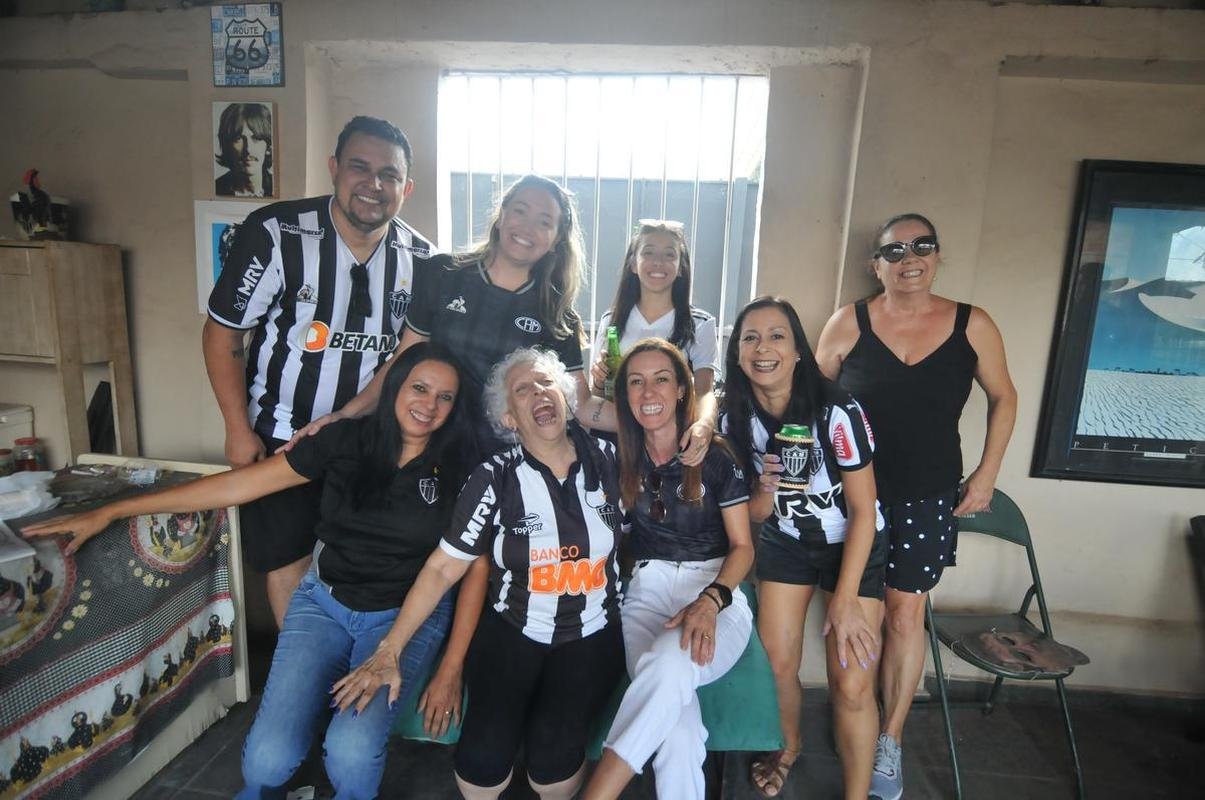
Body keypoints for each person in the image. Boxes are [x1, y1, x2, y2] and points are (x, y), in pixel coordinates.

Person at [25, 343, 485, 800]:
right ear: (394, 388)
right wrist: (115, 511)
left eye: (445, 397)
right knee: (267, 760)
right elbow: (241, 485)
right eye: (420, 388)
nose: (429, 405)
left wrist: (451, 666)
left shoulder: (462, 468)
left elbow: (468, 566)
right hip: (324, 603)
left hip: (405, 617)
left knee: (350, 755)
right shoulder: (346, 441)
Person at [332, 348, 626, 800]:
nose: (538, 394)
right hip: (513, 627)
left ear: (566, 399)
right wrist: (390, 648)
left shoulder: (612, 462)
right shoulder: (494, 477)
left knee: (553, 756)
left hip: (592, 631)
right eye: (522, 390)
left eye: (547, 383)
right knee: (483, 759)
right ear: (509, 418)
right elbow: (443, 566)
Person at [290, 178, 716, 467]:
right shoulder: (443, 273)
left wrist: (659, 417)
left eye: (544, 222)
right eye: (520, 211)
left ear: (555, 239)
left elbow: (582, 407)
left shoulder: (558, 316)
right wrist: (346, 414)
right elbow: (403, 362)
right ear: (502, 214)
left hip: (501, 462)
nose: (528, 228)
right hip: (423, 447)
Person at [202, 115, 435, 628]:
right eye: (360, 167)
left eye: (389, 175)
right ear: (334, 168)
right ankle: (299, 677)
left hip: (370, 441)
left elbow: (405, 357)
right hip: (282, 436)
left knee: (361, 562)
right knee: (289, 562)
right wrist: (237, 429)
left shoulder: (423, 260)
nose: (374, 185)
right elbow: (224, 333)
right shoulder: (276, 233)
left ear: (407, 187)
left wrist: (352, 417)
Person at [815, 213, 1017, 800]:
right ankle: (854, 720)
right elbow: (810, 399)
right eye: (893, 250)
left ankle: (890, 740)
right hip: (854, 502)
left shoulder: (971, 323)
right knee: (857, 617)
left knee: (906, 617)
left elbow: (1004, 397)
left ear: (936, 254)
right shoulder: (848, 322)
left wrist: (986, 473)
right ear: (876, 264)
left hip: (928, 496)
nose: (909, 258)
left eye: (921, 246)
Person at [721, 297, 886, 799]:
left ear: (797, 351)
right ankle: (787, 747)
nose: (763, 347)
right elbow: (753, 516)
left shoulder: (838, 411)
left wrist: (847, 596)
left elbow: (863, 509)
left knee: (853, 680)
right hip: (786, 541)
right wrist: (765, 488)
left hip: (853, 544)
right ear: (737, 352)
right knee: (777, 662)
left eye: (776, 336)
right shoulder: (735, 417)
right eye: (750, 337)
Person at [582, 339, 754, 800]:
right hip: (648, 587)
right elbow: (572, 412)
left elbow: (743, 548)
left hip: (718, 588)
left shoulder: (714, 455)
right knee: (677, 731)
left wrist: (711, 601)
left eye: (661, 378)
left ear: (681, 389)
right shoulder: (618, 454)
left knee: (672, 658)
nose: (648, 391)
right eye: (635, 382)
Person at [589, 220, 721, 450]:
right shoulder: (611, 320)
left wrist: (705, 424)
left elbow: (704, 392)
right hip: (619, 441)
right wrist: (599, 381)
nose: (658, 262)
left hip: (670, 443)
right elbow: (598, 396)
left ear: (681, 267)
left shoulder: (700, 323)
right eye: (648, 252)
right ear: (633, 263)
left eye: (669, 255)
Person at [214, 102, 274, 198]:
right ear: (226, 145)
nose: (248, 149)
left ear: (268, 146)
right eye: (238, 138)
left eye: (256, 138)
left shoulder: (281, 188)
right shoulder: (216, 189)